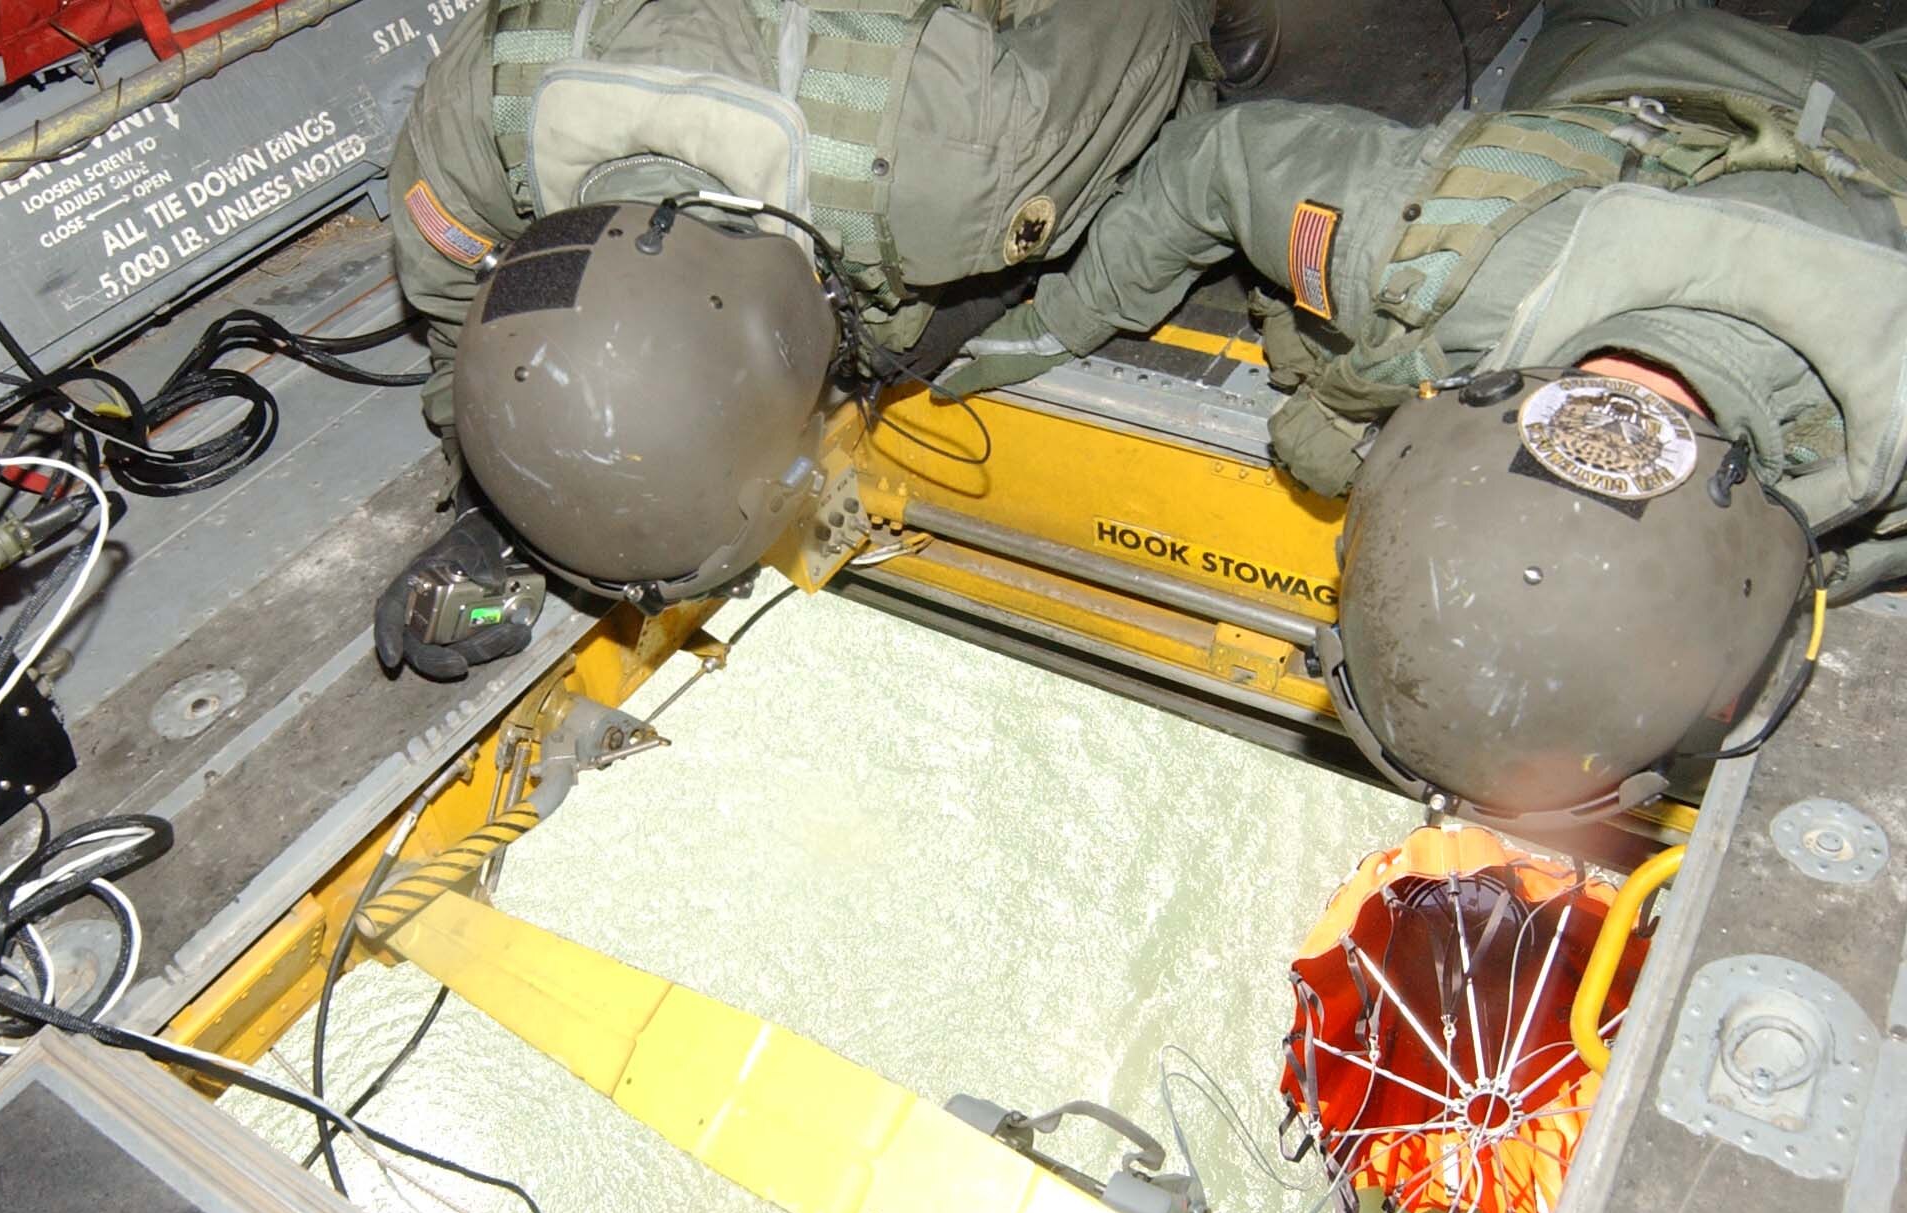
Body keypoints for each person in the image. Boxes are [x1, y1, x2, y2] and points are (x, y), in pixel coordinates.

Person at [944, 0, 1907, 823]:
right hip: (1689, 77)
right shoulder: (1422, 250)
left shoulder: (1443, 258)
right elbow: (1219, 162)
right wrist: (1055, 324)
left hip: (1753, 86)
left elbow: (1221, 160)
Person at [374, 0, 1285, 680]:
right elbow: (472, 318)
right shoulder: (471, 135)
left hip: (939, 119)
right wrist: (501, 506)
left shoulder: (965, 171)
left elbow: (1132, 31)